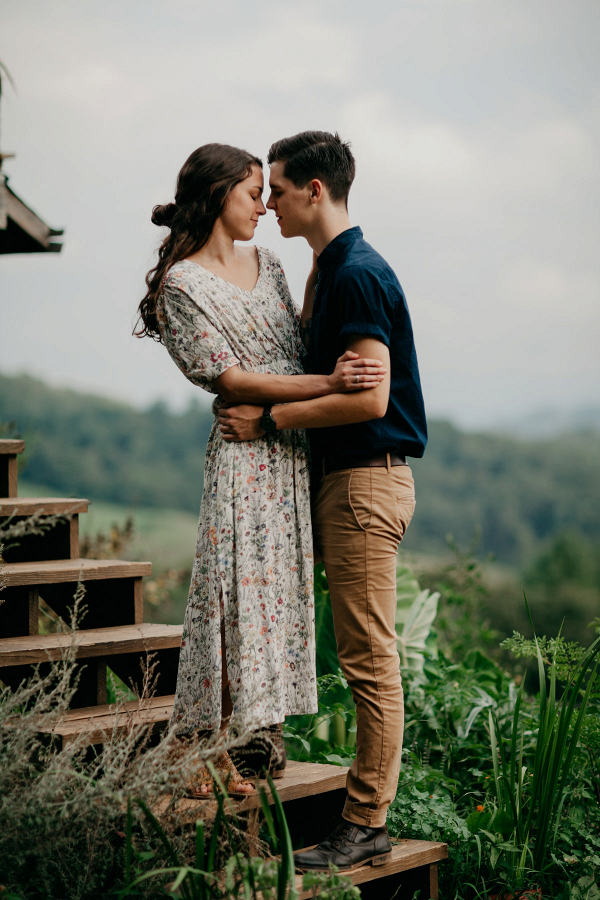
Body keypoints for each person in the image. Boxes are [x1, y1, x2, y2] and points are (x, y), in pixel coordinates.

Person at [135, 142, 386, 798]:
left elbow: (295, 344)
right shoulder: (183, 284)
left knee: (267, 610)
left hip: (289, 458)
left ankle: (228, 746)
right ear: (220, 196)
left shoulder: (271, 263)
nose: (265, 208)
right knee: (228, 601)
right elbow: (232, 377)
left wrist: (318, 361)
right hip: (245, 459)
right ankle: (193, 748)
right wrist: (325, 381)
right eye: (253, 194)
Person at [218, 132, 427, 864]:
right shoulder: (328, 269)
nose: (267, 201)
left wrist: (268, 418)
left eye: (275, 187)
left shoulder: (358, 275)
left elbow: (368, 402)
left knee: (370, 659)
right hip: (347, 481)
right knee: (360, 653)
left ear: (314, 189)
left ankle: (366, 823)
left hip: (367, 478)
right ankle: (361, 815)